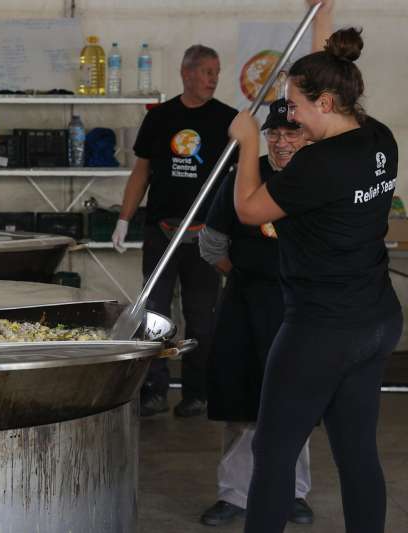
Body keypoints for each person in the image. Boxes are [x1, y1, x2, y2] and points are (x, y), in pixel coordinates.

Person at [230, 15, 401, 533]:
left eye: (298, 107)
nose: (293, 118)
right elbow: (323, 79)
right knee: (355, 452)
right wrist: (320, 17)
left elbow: (250, 211)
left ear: (326, 104)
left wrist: (244, 144)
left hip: (322, 327)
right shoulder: (380, 138)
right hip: (376, 320)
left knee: (274, 449)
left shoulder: (315, 165)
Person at [197, 99, 313, 526]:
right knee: (243, 400)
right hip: (245, 304)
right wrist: (248, 274)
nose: (282, 142)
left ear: (308, 134)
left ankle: (295, 493)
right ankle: (234, 494)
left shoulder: (320, 178)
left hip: (300, 308)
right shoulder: (246, 175)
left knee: (296, 403)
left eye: (292, 133)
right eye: (274, 134)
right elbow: (211, 243)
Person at [112, 45, 237, 417]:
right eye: (206, 72)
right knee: (154, 313)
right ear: (186, 74)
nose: (213, 79)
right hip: (161, 230)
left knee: (202, 315)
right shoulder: (161, 118)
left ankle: (198, 393)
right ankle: (153, 390)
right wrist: (123, 217)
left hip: (206, 235)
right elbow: (141, 172)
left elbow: (239, 181)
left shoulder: (228, 121)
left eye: (217, 72)